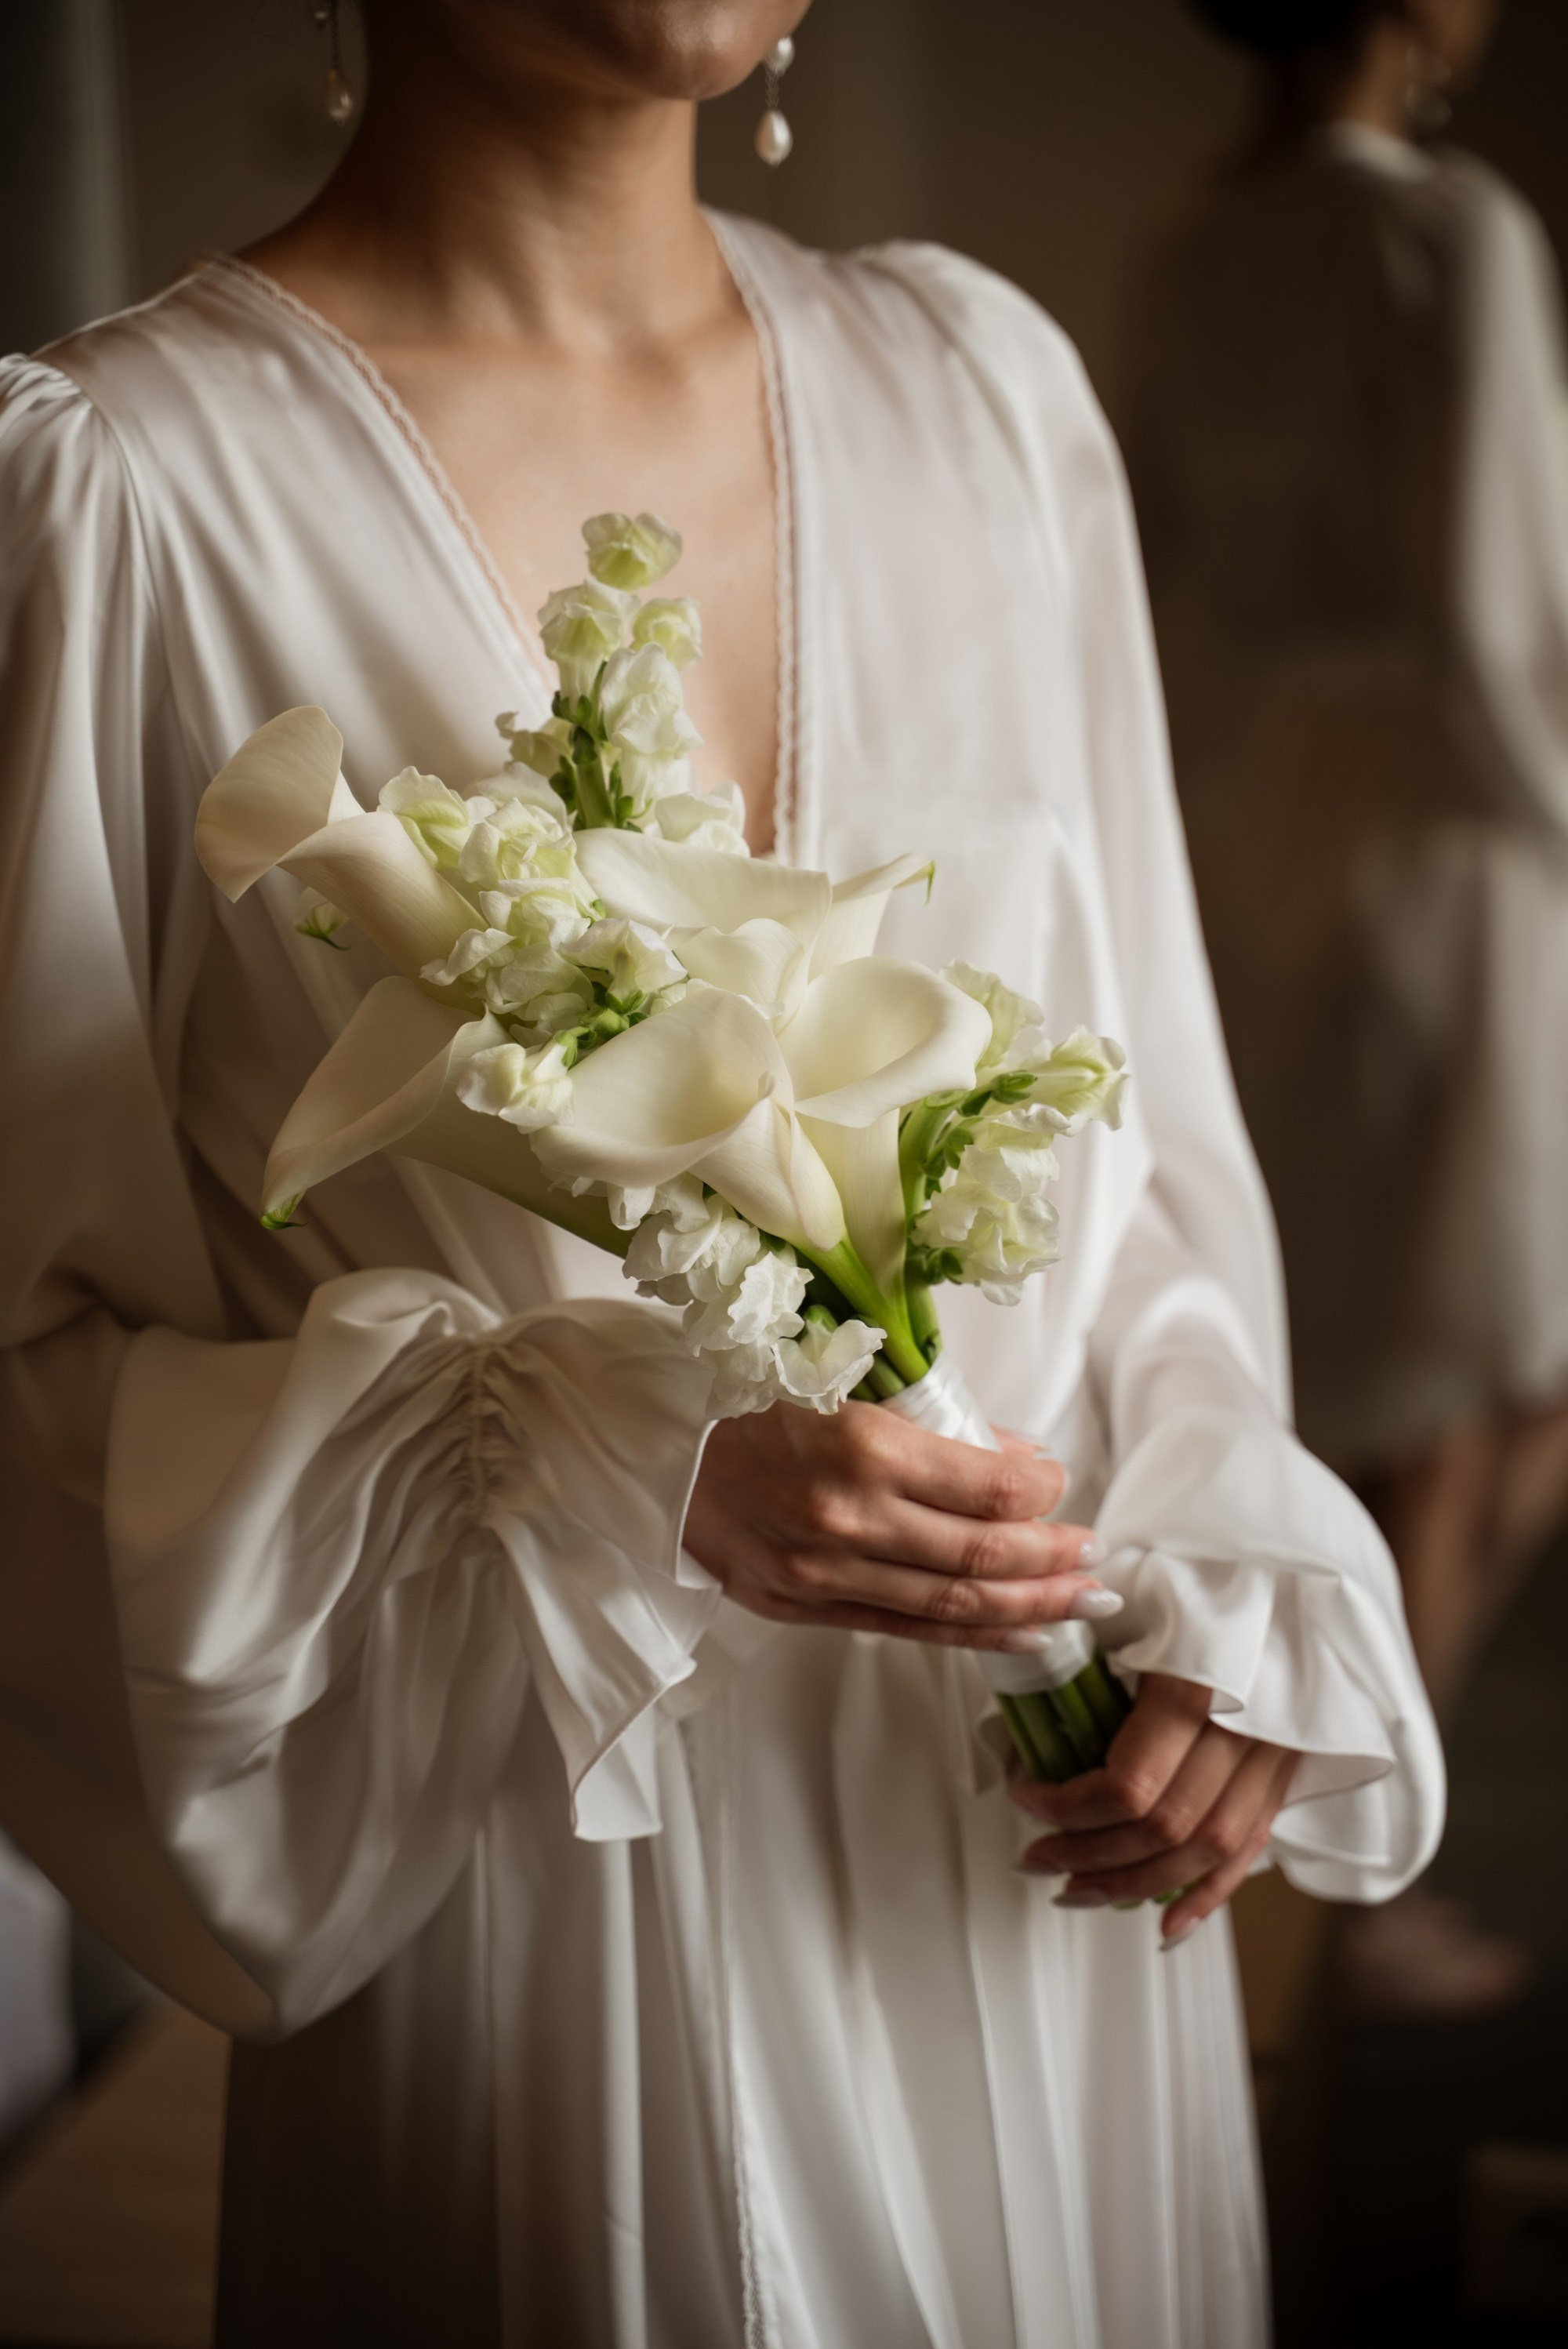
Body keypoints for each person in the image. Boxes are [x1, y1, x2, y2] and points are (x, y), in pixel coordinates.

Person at [0, 2, 1443, 2340]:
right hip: (553, 1923)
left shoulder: (990, 399)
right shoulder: (121, 492)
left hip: (1049, 1895)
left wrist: (1216, 1576)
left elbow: (1148, 1151)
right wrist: (565, 1446)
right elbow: (21, 1388)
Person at [1122, 0, 1568, 2012]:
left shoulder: (1187, 248)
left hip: (1259, 851)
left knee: (1412, 1372)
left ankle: (1326, 1853)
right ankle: (1348, 1885)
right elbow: (1489, 631)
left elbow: (1157, 599)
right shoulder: (1449, 229)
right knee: (1475, 1386)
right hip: (1460, 859)